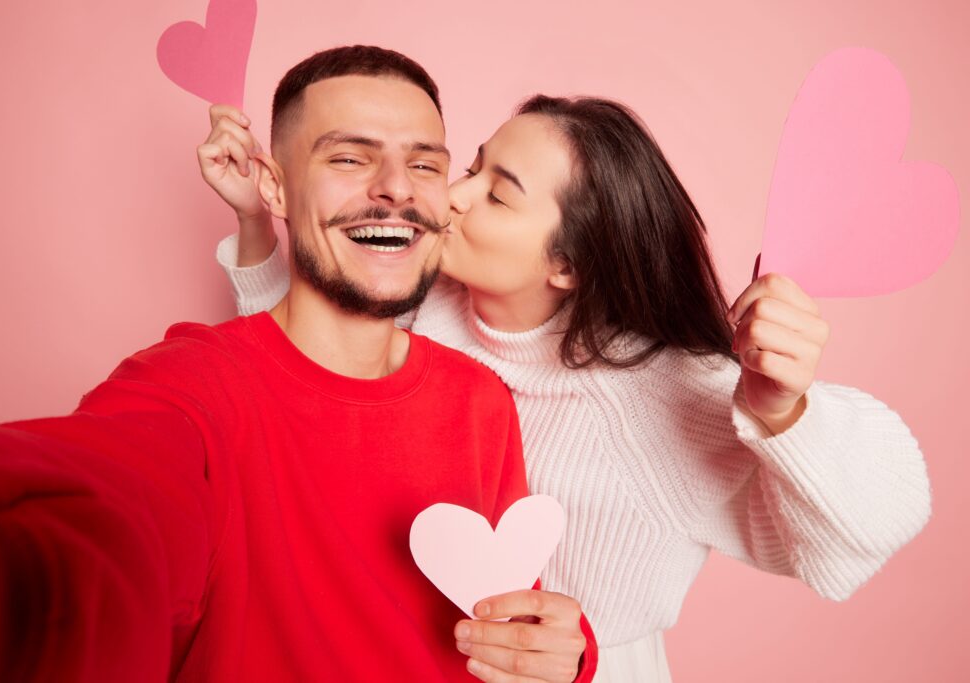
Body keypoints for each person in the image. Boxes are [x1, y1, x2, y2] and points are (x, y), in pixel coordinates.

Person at [206, 84, 932, 680]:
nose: (454, 197)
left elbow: (879, 518)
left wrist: (786, 410)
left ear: (568, 265)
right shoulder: (424, 309)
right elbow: (301, 368)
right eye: (474, 169)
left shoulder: (659, 389)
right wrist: (254, 221)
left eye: (497, 194)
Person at [0, 47, 600, 682]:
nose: (398, 188)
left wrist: (565, 656)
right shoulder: (193, 384)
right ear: (273, 186)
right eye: (349, 157)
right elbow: (99, 512)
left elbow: (506, 613)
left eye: (426, 166)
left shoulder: (480, 398)